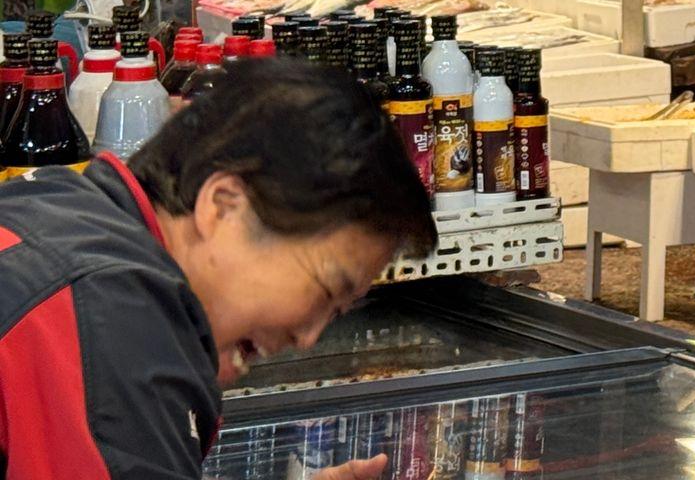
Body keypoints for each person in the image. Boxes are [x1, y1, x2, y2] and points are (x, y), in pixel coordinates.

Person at [0, 57, 437, 479]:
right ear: (223, 205)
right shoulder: (108, 312)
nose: (306, 338)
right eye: (325, 291)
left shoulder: (59, 209)